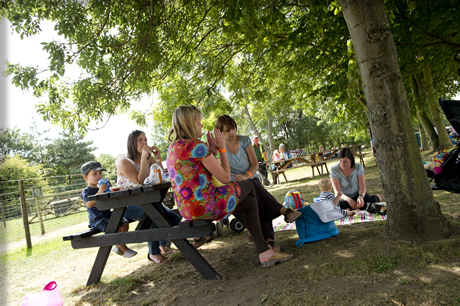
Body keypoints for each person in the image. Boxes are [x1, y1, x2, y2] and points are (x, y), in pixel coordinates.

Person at [167, 105, 293, 267]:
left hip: (187, 209)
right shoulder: (197, 146)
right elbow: (226, 178)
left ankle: (265, 250)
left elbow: (199, 172)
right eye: (199, 122)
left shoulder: (173, 147)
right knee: (250, 185)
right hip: (208, 206)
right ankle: (268, 238)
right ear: (190, 123)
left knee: (250, 202)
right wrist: (221, 149)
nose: (202, 125)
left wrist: (211, 151)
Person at [215, 115, 301, 252]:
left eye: (233, 128)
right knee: (256, 197)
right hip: (233, 184)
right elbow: (218, 170)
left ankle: (269, 240)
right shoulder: (218, 146)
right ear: (219, 131)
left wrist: (246, 175)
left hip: (250, 178)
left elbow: (255, 164)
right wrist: (236, 179)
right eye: (227, 130)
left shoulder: (244, 140)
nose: (232, 132)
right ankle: (282, 212)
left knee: (255, 194)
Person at [116, 130, 182, 263]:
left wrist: (157, 158)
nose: (144, 142)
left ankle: (163, 244)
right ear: (132, 143)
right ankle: (153, 253)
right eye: (140, 140)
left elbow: (159, 176)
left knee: (175, 218)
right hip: (127, 205)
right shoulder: (124, 162)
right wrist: (145, 158)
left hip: (147, 201)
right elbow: (140, 181)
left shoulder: (148, 158)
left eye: (145, 139)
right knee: (153, 216)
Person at [80, 161, 137, 258]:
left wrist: (110, 189)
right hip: (97, 219)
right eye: (94, 174)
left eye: (100, 173)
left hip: (108, 215)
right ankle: (124, 249)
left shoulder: (103, 187)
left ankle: (118, 244)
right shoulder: (87, 191)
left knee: (124, 223)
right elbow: (89, 204)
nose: (99, 176)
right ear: (86, 177)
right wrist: (99, 192)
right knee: (114, 229)